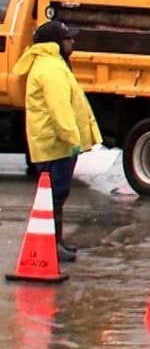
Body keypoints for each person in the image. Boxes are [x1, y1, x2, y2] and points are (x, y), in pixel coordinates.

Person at [13, 20, 102, 262]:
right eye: (67, 38)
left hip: (55, 144)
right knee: (54, 196)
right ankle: (51, 246)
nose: (72, 42)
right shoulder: (51, 68)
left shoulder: (51, 64)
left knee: (55, 196)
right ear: (55, 43)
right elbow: (60, 108)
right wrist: (72, 139)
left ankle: (56, 242)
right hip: (56, 146)